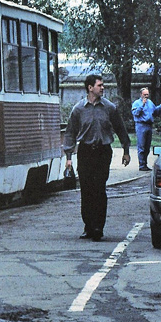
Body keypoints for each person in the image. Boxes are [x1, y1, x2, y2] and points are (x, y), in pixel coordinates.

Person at [63, 74, 131, 241]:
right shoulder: (78, 109)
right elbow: (70, 133)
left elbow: (120, 129)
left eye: (102, 85)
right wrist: (69, 156)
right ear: (90, 88)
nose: (102, 88)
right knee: (86, 190)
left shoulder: (109, 108)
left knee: (99, 189)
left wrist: (126, 150)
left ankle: (98, 227)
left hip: (103, 152)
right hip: (85, 152)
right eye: (99, 85)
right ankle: (88, 226)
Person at [131, 87, 161, 171]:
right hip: (141, 125)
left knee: (147, 146)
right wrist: (142, 105)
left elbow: (155, 111)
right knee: (141, 146)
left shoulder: (150, 102)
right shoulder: (136, 103)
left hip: (149, 125)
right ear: (141, 95)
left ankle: (145, 164)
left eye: (147, 94)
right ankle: (141, 165)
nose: (146, 96)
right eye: (144, 95)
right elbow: (135, 113)